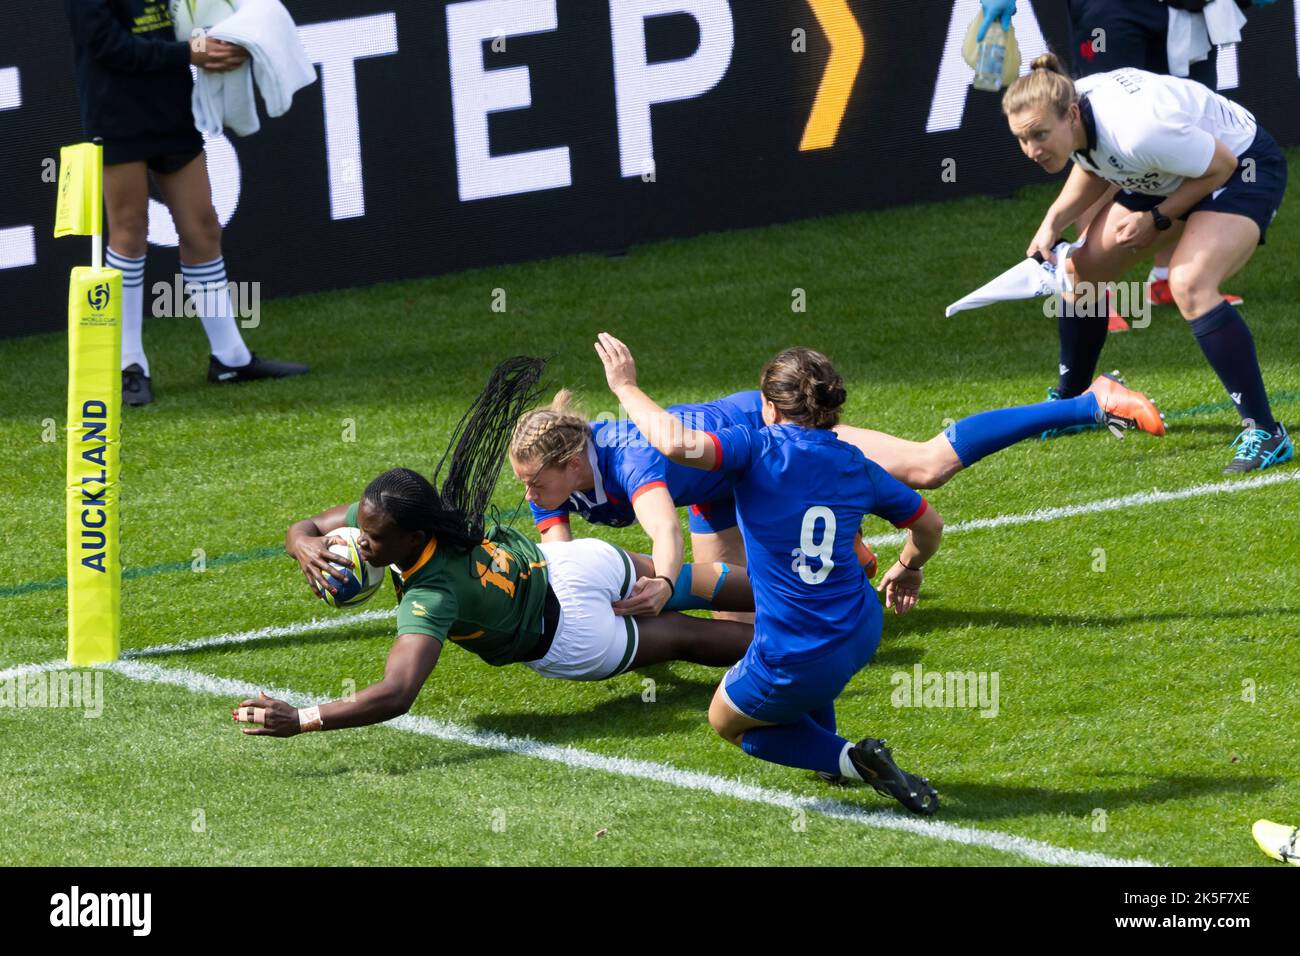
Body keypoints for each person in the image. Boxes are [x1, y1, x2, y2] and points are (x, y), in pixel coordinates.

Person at [232, 358, 754, 739]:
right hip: (563, 566)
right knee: (688, 583)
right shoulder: (421, 513)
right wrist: (301, 542)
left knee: (685, 635)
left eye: (371, 536)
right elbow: (316, 523)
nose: (360, 541)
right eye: (361, 531)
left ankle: (801, 652)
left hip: (570, 638)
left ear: (410, 538)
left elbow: (397, 692)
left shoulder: (430, 597)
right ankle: (816, 604)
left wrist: (301, 719)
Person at [594, 333, 946, 814]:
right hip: (863, 631)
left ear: (769, 406)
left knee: (728, 722)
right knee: (812, 673)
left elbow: (675, 443)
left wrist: (625, 387)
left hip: (794, 650)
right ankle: (829, 752)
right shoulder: (858, 465)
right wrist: (908, 567)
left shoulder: (754, 448)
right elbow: (930, 525)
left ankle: (851, 759)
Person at [509, 373, 1162, 615]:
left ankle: (1088, 400)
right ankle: (850, 564)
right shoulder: (548, 483)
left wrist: (662, 580)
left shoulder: (629, 454)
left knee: (927, 466)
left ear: (571, 462)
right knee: (747, 620)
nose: (532, 495)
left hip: (770, 442)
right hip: (718, 491)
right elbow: (561, 564)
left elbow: (663, 538)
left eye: (537, 482)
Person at [1006, 54, 1292, 473]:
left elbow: (1220, 167)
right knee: (1080, 271)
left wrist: (1157, 219)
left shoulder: (1137, 130)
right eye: (1020, 139)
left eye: (1039, 136)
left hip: (1239, 168)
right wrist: (1053, 221)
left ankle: (1266, 431)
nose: (1031, 150)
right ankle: (1073, 404)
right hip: (1168, 171)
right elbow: (1096, 161)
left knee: (1189, 283)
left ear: (1069, 115)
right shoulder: (1075, 115)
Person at [66, 0, 308, 407]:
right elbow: (108, 46)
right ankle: (129, 366)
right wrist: (192, 51)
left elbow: (185, 21)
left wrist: (228, 39)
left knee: (202, 227)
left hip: (172, 109)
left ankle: (230, 358)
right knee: (129, 232)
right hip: (116, 113)